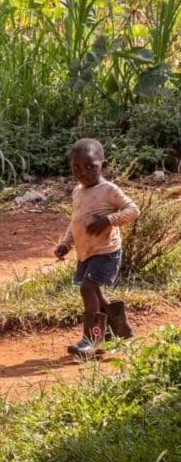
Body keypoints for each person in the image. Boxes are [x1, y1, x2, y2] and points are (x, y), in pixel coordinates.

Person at [54, 138, 140, 358]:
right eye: (76, 168)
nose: (83, 172)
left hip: (106, 251)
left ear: (104, 165)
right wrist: (66, 244)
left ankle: (91, 340)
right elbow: (76, 222)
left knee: (87, 288)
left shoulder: (108, 189)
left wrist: (109, 220)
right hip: (86, 252)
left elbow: (133, 210)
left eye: (90, 166)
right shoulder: (78, 192)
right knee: (95, 292)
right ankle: (119, 327)